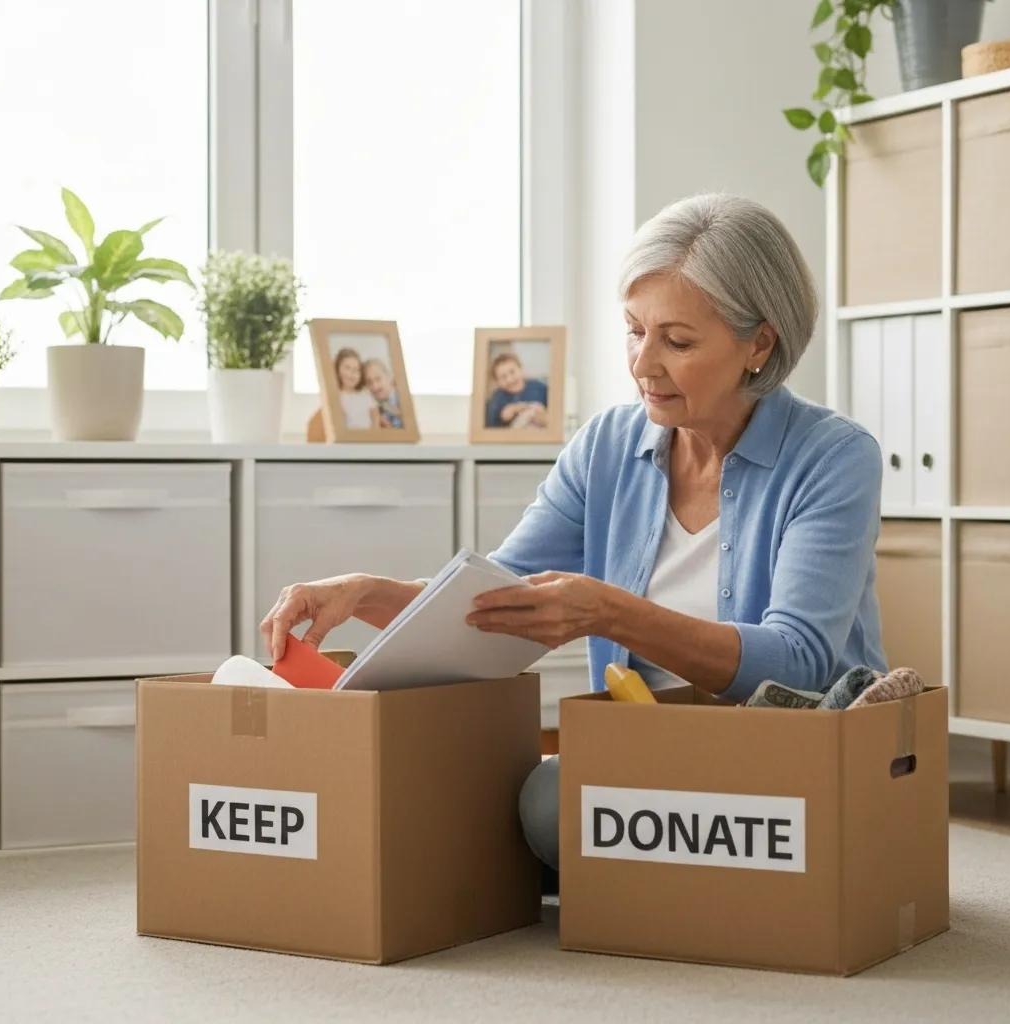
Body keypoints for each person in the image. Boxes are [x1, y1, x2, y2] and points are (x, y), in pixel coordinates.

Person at [260, 192, 886, 877]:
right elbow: (493, 598)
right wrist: (362, 592)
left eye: (677, 341)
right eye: (633, 330)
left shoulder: (833, 456)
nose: (643, 363)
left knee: (555, 817)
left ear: (759, 344)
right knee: (534, 801)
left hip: (787, 754)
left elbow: (798, 662)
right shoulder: (610, 445)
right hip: (646, 747)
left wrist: (610, 611)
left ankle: (672, 878)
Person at [485, 352, 548, 429]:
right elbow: (495, 422)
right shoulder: (498, 397)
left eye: (512, 372)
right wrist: (513, 410)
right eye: (503, 377)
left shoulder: (539, 388)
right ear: (497, 382)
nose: (510, 380)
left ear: (521, 369)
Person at [335, 347, 379, 429]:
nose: (352, 373)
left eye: (356, 369)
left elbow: (375, 417)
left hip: (367, 438)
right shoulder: (337, 396)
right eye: (347, 368)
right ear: (338, 369)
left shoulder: (366, 396)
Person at [364, 357, 404, 429]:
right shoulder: (376, 407)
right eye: (369, 382)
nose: (374, 386)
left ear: (389, 377)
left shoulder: (401, 397)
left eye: (378, 378)